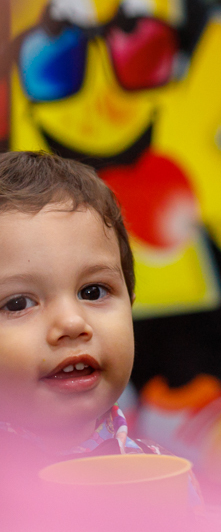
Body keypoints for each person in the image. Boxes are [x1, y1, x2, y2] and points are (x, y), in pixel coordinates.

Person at [0, 151, 182, 465]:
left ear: (130, 305)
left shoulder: (158, 474)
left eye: (92, 292)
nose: (72, 323)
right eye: (18, 303)